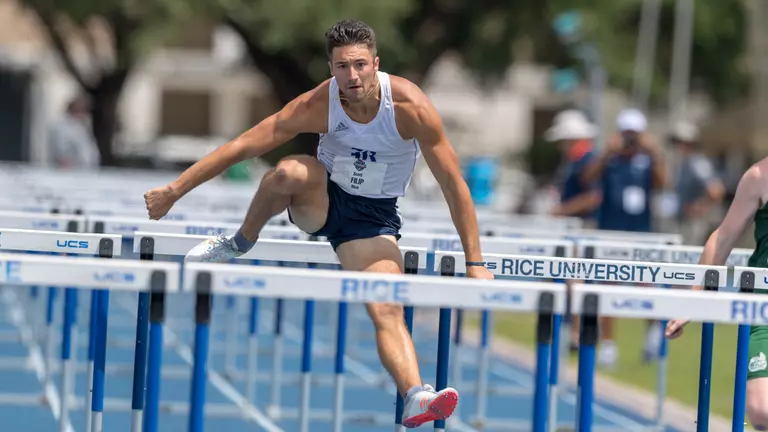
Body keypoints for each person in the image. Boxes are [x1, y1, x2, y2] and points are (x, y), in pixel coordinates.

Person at [143, 19, 493, 428]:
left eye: (360, 65)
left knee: (386, 307)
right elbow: (242, 145)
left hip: (372, 219)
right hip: (321, 197)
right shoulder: (316, 103)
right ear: (331, 69)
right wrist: (175, 190)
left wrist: (474, 261)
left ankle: (416, 396)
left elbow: (453, 185)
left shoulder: (410, 108)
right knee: (288, 173)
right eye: (342, 67)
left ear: (376, 63)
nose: (352, 76)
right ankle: (238, 242)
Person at [665, 158, 768, 430]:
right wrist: (694, 299)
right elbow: (722, 238)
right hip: (763, 305)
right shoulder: (758, 176)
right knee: (760, 411)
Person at [581, 108, 670, 368]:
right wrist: (607, 152)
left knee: (646, 282)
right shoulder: (610, 159)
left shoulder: (647, 159)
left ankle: (653, 332)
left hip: (640, 232)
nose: (630, 140)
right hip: (611, 230)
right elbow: (587, 178)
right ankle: (608, 343)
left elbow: (664, 184)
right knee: (608, 285)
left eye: (635, 135)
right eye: (627, 134)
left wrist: (655, 153)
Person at [544, 109, 603, 350]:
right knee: (567, 281)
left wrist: (563, 209)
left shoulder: (588, 160)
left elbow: (594, 196)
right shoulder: (575, 161)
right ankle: (571, 331)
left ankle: (579, 334)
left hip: (582, 227)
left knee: (576, 281)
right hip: (572, 227)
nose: (559, 146)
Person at [669, 120, 725, 245]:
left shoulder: (697, 164)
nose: (677, 146)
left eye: (680, 142)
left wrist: (700, 207)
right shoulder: (684, 164)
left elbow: (716, 191)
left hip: (695, 223)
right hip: (685, 222)